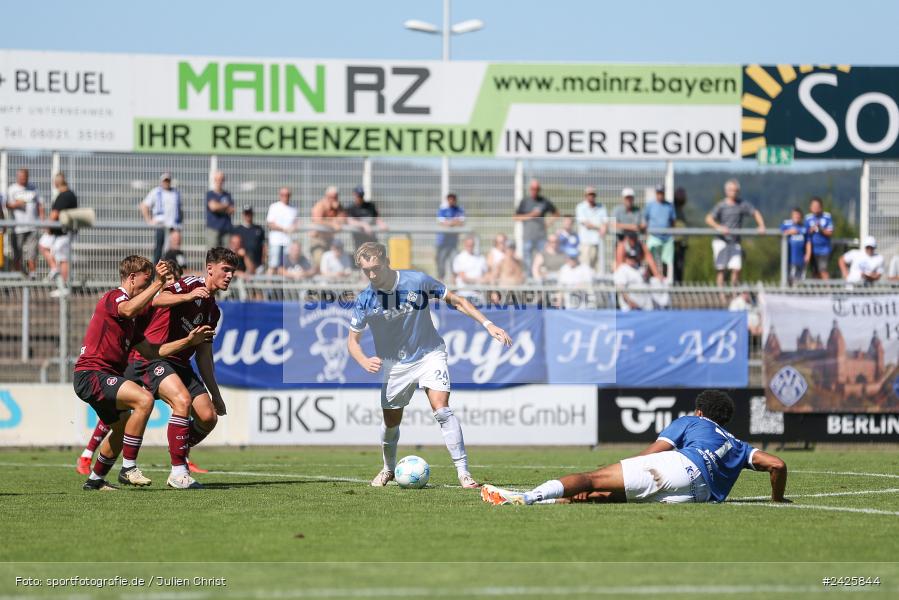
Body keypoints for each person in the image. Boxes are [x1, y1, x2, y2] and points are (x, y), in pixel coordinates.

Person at [347, 242, 512, 489]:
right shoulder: (365, 299)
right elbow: (352, 341)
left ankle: (464, 474)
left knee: (442, 409)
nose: (372, 275)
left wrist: (488, 324)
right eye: (366, 271)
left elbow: (456, 300)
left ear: (387, 262)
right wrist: (362, 359)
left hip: (429, 354)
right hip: (395, 365)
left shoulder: (417, 281)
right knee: (391, 422)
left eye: (376, 268)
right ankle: (388, 469)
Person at [481, 390, 789, 506]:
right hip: (696, 498)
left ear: (699, 411)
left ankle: (527, 497)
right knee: (603, 498)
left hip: (679, 468)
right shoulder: (737, 443)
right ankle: (544, 503)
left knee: (594, 479)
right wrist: (777, 499)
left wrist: (622, 466)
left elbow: (656, 451)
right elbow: (777, 464)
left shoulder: (693, 423)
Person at [73, 256, 213, 490]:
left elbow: (154, 352)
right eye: (145, 282)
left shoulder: (130, 324)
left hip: (103, 375)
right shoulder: (114, 297)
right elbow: (127, 309)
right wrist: (159, 284)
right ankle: (128, 467)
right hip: (91, 373)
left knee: (120, 428)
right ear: (131, 278)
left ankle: (95, 480)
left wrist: (188, 340)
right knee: (144, 399)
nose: (147, 287)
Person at [127, 248, 236, 489]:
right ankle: (178, 472)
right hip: (156, 358)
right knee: (182, 401)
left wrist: (215, 395)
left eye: (232, 272)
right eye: (225, 270)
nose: (229, 276)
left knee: (208, 417)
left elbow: (205, 355)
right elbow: (158, 299)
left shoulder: (213, 311)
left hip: (180, 364)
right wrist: (187, 297)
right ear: (210, 268)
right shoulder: (189, 284)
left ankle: (178, 448)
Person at [705, 179, 766, 286]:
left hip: (735, 241)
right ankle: (721, 295)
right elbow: (709, 218)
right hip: (721, 240)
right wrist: (719, 227)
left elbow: (755, 212)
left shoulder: (742, 204)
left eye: (736, 190)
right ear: (726, 191)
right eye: (731, 190)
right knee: (721, 269)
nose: (734, 192)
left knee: (736, 268)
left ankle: (734, 293)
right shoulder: (721, 205)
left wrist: (761, 225)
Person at [514, 179, 558, 273]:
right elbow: (516, 217)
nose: (534, 190)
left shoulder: (544, 201)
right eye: (533, 188)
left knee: (542, 260)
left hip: (541, 237)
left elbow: (556, 214)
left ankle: (540, 281)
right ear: (530, 189)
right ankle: (529, 282)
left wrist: (548, 224)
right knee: (528, 260)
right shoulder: (525, 201)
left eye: (537, 189)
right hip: (528, 236)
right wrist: (531, 215)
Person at [6, 168, 44, 276]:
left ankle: (32, 275)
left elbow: (40, 204)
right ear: (17, 177)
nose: (23, 179)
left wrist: (42, 219)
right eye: (21, 177)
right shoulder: (12, 189)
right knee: (17, 253)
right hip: (17, 228)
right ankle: (18, 275)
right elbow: (7, 205)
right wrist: (17, 204)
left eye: (25, 177)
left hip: (32, 226)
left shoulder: (33, 188)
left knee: (32, 253)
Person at [140, 172, 183, 265]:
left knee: (172, 252)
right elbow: (144, 205)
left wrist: (179, 225)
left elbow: (179, 210)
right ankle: (157, 271)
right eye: (165, 181)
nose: (166, 183)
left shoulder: (175, 193)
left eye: (168, 181)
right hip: (160, 226)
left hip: (172, 227)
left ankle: (172, 271)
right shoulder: (156, 192)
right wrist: (149, 220)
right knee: (159, 250)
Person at [42, 172, 78, 282]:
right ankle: (55, 269)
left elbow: (54, 214)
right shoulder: (69, 194)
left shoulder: (64, 195)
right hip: (61, 232)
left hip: (64, 232)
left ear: (57, 182)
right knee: (43, 244)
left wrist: (48, 227)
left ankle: (64, 285)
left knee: (63, 258)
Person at [644, 185, 676, 278]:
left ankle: (664, 281)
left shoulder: (669, 206)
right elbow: (645, 220)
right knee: (650, 260)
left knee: (665, 262)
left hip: (666, 238)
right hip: (654, 236)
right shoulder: (650, 205)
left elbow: (673, 221)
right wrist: (647, 234)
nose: (660, 195)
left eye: (661, 193)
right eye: (658, 193)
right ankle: (649, 280)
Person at [310, 186, 346, 266]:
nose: (333, 199)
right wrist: (332, 223)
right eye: (331, 197)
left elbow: (343, 219)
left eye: (335, 197)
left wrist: (337, 211)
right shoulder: (320, 205)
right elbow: (317, 220)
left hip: (330, 239)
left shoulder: (338, 207)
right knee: (319, 261)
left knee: (334, 262)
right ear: (326, 196)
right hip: (318, 239)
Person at [575, 186, 608, 273]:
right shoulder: (580, 207)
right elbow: (587, 224)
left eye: (593, 194)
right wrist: (600, 227)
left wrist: (603, 227)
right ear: (585, 196)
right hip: (585, 243)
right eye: (589, 194)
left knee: (598, 268)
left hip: (598, 242)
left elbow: (605, 223)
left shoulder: (601, 207)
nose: (591, 196)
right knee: (585, 268)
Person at [266, 187, 298, 274]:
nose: (285, 197)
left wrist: (294, 227)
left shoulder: (294, 209)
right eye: (283, 195)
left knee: (285, 266)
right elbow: (270, 224)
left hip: (288, 241)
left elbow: (296, 223)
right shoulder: (274, 207)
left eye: (287, 195)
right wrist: (284, 229)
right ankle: (268, 287)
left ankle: (282, 287)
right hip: (276, 241)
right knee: (273, 264)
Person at [614, 246, 654, 312]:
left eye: (634, 258)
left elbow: (647, 281)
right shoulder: (623, 269)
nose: (632, 260)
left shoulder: (639, 268)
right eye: (630, 258)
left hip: (644, 306)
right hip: (631, 308)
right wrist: (630, 303)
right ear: (626, 258)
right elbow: (620, 288)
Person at [436, 193, 465, 280]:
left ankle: (454, 286)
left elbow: (461, 222)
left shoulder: (459, 209)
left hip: (453, 243)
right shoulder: (443, 209)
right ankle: (440, 286)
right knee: (441, 264)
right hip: (443, 243)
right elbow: (441, 222)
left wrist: (450, 223)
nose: (451, 201)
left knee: (454, 264)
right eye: (450, 199)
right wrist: (453, 222)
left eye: (453, 199)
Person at [805, 197, 834, 280]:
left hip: (824, 249)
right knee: (815, 272)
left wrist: (821, 229)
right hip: (812, 250)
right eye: (813, 206)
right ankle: (817, 291)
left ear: (821, 206)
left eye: (817, 206)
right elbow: (806, 234)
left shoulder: (827, 217)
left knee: (823, 270)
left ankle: (828, 291)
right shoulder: (808, 218)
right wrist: (811, 230)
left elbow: (830, 232)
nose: (815, 208)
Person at [205, 170, 234, 249]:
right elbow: (213, 207)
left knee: (226, 254)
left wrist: (219, 206)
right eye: (217, 179)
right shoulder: (210, 194)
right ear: (214, 180)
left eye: (221, 179)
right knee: (212, 253)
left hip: (226, 229)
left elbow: (232, 210)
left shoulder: (227, 195)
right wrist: (225, 206)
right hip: (213, 229)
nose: (219, 181)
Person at [781, 207, 808, 285]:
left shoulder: (804, 227)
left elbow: (808, 242)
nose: (797, 218)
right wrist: (789, 232)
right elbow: (781, 233)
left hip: (801, 258)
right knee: (790, 276)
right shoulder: (787, 225)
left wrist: (808, 254)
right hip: (790, 258)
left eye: (798, 216)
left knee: (801, 278)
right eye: (795, 216)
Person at [235, 205, 265, 274]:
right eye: (246, 213)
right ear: (243, 215)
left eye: (250, 213)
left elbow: (263, 246)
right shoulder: (237, 230)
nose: (248, 216)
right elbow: (233, 246)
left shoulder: (259, 229)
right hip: (242, 265)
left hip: (257, 263)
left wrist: (263, 261)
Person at [672, 187, 689, 283]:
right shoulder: (673, 209)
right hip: (675, 241)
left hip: (682, 242)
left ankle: (679, 283)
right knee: (674, 264)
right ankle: (675, 282)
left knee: (680, 265)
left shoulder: (681, 210)